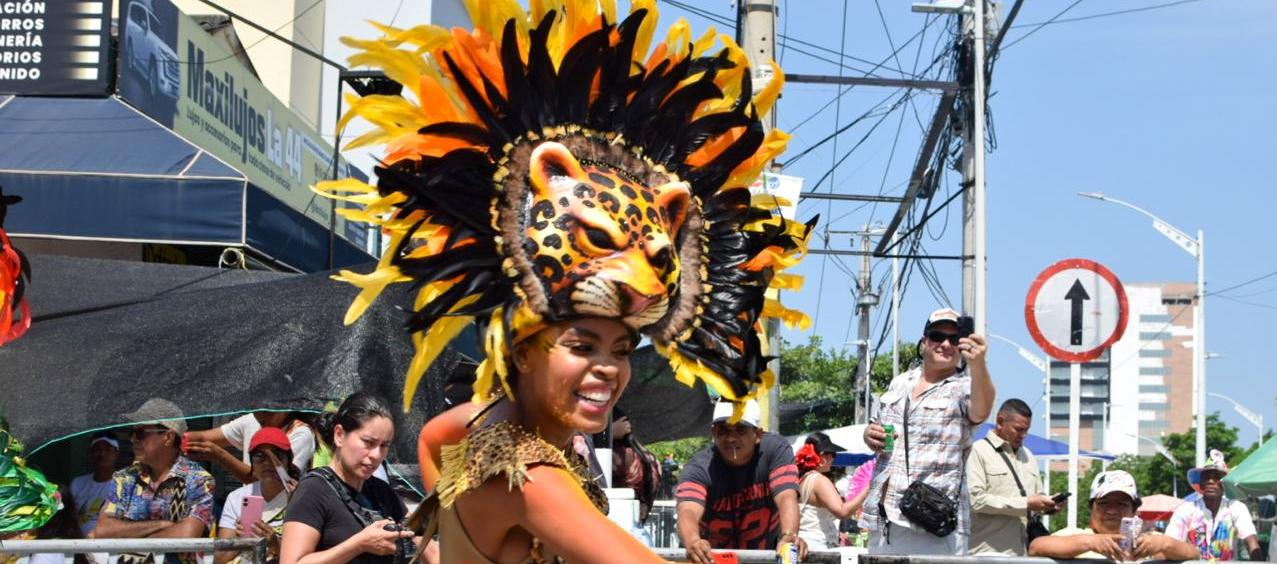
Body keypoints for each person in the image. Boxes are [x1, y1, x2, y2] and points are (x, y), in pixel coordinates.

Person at [324, 0, 814, 560]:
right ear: (521, 349)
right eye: (581, 345)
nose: (608, 367)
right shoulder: (529, 478)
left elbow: (435, 437)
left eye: (622, 348)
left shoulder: (491, 422)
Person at [860, 308, 996, 555]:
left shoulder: (966, 386)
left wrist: (978, 365)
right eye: (937, 336)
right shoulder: (899, 382)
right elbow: (876, 429)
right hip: (886, 517)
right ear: (924, 343)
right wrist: (869, 434)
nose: (945, 344)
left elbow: (981, 411)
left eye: (954, 339)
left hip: (934, 522)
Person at [279, 393, 411, 564]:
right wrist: (359, 545)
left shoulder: (382, 492)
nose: (376, 455)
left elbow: (426, 546)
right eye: (368, 442)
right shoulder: (314, 490)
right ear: (340, 435)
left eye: (384, 446)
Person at [676, 400, 806, 563]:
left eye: (740, 430)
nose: (730, 438)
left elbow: (786, 496)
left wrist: (789, 536)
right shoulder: (699, 468)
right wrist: (693, 541)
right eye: (723, 430)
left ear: (758, 434)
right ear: (713, 432)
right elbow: (687, 511)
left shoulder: (775, 451)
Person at [94, 398, 216, 564]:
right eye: (132, 433)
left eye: (140, 433)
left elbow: (186, 535)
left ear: (167, 437)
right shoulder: (124, 478)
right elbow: (103, 530)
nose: (132, 439)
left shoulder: (199, 480)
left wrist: (127, 537)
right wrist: (162, 525)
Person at [1029, 470, 1198, 561]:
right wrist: (1091, 542)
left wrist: (1164, 544)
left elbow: (1193, 554)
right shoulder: (1076, 535)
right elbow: (1036, 547)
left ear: (1134, 509)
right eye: (1104, 504)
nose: (1112, 510)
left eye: (1121, 504)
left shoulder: (1147, 542)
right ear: (1091, 507)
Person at [967, 398, 1058, 555]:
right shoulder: (977, 451)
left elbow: (1036, 499)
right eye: (1019, 429)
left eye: (1027, 430)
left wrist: (1049, 505)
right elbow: (976, 501)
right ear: (1000, 421)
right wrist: (1026, 503)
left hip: (1023, 554)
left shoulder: (1028, 455)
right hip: (987, 554)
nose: (1024, 435)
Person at [215, 428, 299, 564]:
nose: (268, 463)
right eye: (260, 457)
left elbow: (306, 556)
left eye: (277, 456)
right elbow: (219, 559)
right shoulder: (237, 498)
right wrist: (241, 539)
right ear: (252, 462)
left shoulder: (301, 496)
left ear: (288, 461)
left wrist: (274, 544)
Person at [1165, 448, 1263, 560]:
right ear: (1201, 484)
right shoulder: (1185, 510)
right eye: (1206, 478)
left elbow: (1251, 543)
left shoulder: (1236, 508)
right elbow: (1170, 545)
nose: (1211, 481)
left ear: (1225, 484)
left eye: (1217, 477)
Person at [186, 411, 315, 484]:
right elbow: (204, 437)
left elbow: (267, 478)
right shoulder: (252, 420)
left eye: (268, 411)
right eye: (257, 409)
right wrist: (172, 430)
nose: (261, 417)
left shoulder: (301, 433)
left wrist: (221, 456)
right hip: (251, 504)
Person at [795, 432, 863, 549]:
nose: (833, 458)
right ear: (822, 456)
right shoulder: (819, 480)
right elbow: (842, 512)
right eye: (832, 454)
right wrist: (868, 489)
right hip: (818, 545)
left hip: (805, 544)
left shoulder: (803, 479)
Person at [611, 407, 662, 523]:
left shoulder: (620, 456)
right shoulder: (651, 459)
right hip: (639, 527)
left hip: (618, 525)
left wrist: (608, 433)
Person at [71, 432, 119, 537]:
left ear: (116, 453)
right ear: (91, 453)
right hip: (76, 544)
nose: (102, 454)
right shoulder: (78, 483)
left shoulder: (123, 484)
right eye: (97, 449)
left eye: (107, 449)